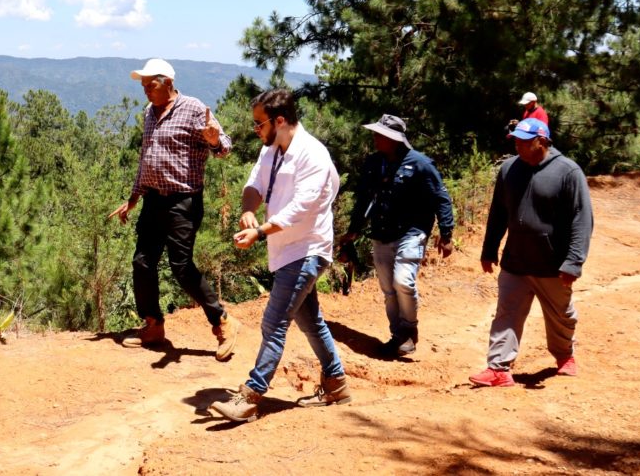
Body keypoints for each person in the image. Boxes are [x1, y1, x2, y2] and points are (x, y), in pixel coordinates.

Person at [209, 89, 350, 422]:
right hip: (285, 249)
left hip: (308, 249)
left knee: (273, 322)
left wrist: (259, 231)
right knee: (309, 320)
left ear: (280, 120)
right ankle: (337, 382)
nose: (256, 130)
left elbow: (301, 209)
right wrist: (247, 211)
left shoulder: (312, 155)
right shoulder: (271, 150)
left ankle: (250, 395)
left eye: (260, 124)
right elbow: (255, 185)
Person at [108, 58, 241, 361]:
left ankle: (223, 322)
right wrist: (133, 198)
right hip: (153, 199)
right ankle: (153, 326)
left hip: (183, 201)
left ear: (167, 82)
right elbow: (146, 159)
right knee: (142, 262)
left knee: (181, 267)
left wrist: (215, 140)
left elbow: (225, 147)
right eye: (143, 86)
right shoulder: (149, 114)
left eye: (150, 85)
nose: (146, 91)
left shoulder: (194, 108)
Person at [470, 118, 593, 387]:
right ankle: (498, 368)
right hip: (516, 261)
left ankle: (564, 355)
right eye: (516, 140)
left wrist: (573, 262)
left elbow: (581, 220)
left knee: (560, 316)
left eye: (524, 141)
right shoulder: (509, 169)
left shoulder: (568, 172)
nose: (519, 146)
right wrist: (489, 249)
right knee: (506, 313)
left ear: (542, 141)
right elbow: (498, 213)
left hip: (552, 265)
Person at [340, 114, 455, 357]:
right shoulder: (373, 163)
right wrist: (353, 230)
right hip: (381, 233)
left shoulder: (421, 164)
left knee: (403, 281)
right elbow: (363, 199)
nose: (374, 138)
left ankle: (410, 330)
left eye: (379, 135)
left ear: (394, 139)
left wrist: (446, 234)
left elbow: (441, 198)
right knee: (387, 288)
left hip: (411, 233)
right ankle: (398, 336)